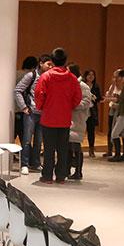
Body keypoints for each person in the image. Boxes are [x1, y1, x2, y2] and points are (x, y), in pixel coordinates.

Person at [34, 48, 82, 184]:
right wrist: (69, 107)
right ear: (65, 60)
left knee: (48, 149)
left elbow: (39, 95)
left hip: (48, 117)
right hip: (65, 118)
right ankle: (61, 176)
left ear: (52, 60)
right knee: (63, 149)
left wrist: (42, 107)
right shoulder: (72, 78)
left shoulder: (46, 76)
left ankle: (47, 176)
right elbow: (77, 97)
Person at [14, 54, 51, 174]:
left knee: (39, 140)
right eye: (48, 64)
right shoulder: (31, 75)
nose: (50, 67)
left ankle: (35, 163)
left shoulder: (50, 77)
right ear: (41, 63)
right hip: (31, 112)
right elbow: (18, 90)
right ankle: (24, 164)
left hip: (43, 113)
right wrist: (24, 107)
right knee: (26, 139)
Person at [67, 64, 93, 180]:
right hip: (68, 119)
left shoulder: (83, 86)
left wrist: (72, 105)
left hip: (78, 119)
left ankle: (78, 171)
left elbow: (86, 102)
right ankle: (67, 169)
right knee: (67, 145)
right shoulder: (69, 84)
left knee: (76, 145)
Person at [14, 56, 38, 146]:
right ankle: (26, 157)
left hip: (14, 108)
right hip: (25, 109)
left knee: (15, 134)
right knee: (25, 137)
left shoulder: (15, 73)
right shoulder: (30, 76)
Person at [102, 69, 121, 158]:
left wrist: (110, 99)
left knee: (118, 131)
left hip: (120, 111)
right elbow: (108, 96)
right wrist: (113, 85)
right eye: (114, 76)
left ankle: (119, 152)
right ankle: (109, 150)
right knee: (110, 130)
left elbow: (119, 100)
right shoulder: (113, 86)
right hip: (112, 109)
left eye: (117, 76)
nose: (115, 78)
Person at [82, 70, 101, 157]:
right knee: (81, 130)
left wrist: (94, 97)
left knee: (91, 131)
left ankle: (91, 150)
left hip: (92, 111)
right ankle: (76, 149)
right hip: (82, 110)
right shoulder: (82, 85)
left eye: (93, 75)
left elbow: (99, 98)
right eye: (89, 74)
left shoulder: (96, 86)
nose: (91, 76)